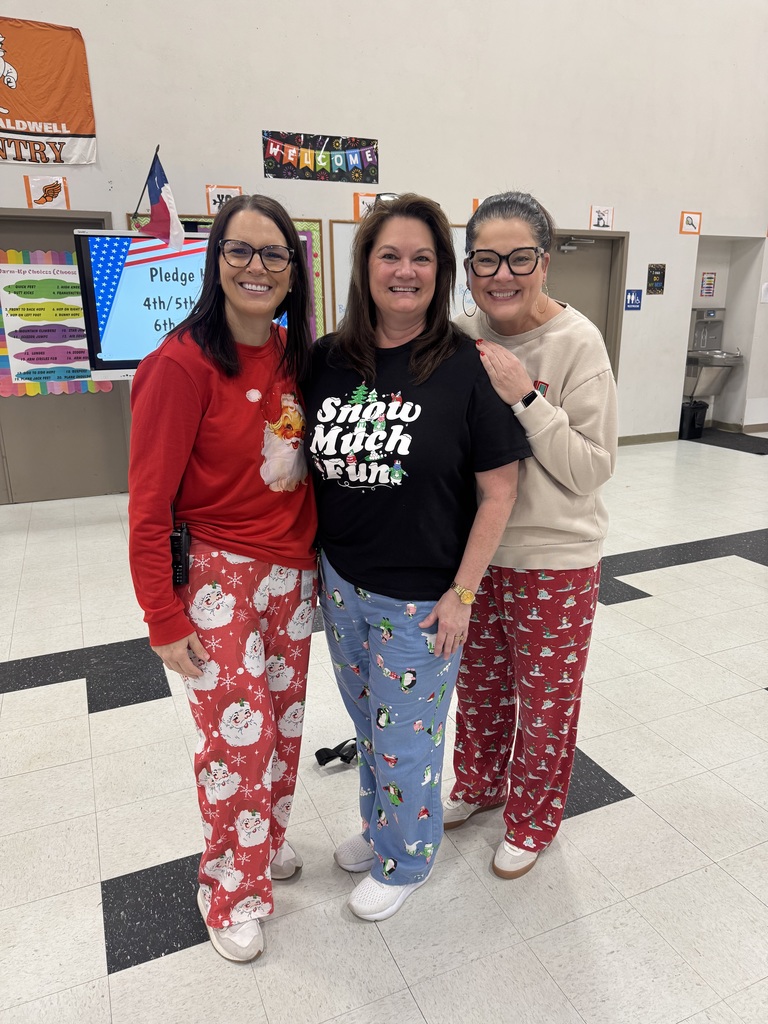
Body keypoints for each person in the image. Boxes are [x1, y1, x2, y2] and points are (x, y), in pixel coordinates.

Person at [302, 194, 531, 921]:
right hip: (343, 583)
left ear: (442, 273)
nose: (406, 271)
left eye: (423, 258)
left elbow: (500, 491)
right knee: (371, 727)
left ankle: (408, 859)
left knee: (407, 742)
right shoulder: (326, 360)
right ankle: (381, 830)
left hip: (424, 600)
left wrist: (462, 595)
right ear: (365, 266)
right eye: (390, 255)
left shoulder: (468, 366)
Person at [128, 194, 317, 963]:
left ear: (292, 271)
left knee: (286, 727)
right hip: (215, 576)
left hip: (293, 574)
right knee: (238, 743)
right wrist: (163, 618)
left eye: (273, 254)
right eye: (239, 251)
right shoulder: (178, 364)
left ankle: (264, 840)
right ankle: (230, 889)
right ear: (215, 262)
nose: (256, 267)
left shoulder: (297, 358)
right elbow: (145, 505)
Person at [444, 191, 618, 879]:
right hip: (477, 558)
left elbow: (592, 469)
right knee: (479, 690)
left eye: (518, 258)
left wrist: (525, 396)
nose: (501, 275)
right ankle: (480, 785)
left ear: (544, 262)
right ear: (469, 266)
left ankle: (534, 819)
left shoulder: (577, 342)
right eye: (486, 260)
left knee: (545, 703)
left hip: (554, 558)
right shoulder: (459, 336)